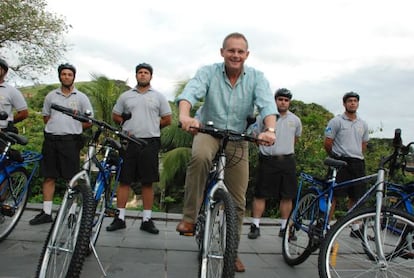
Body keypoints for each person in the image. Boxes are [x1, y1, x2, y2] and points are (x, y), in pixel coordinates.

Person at [175, 32, 277, 272]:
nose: (236, 55)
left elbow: (267, 105)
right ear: (222, 52)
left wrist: (270, 130)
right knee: (200, 157)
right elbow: (190, 94)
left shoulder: (256, 78)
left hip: (238, 138)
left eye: (240, 51)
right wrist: (184, 116)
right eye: (231, 50)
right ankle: (189, 217)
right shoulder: (209, 72)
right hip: (208, 130)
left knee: (239, 199)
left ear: (247, 55)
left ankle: (232, 250)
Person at [106, 63, 172, 235]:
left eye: (146, 72)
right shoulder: (126, 96)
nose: (143, 75)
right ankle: (119, 218)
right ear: (136, 76)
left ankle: (147, 220)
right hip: (129, 141)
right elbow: (116, 115)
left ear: (151, 76)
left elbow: (167, 118)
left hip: (150, 142)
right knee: (124, 180)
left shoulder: (158, 97)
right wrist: (125, 125)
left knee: (147, 181)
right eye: (140, 72)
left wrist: (152, 126)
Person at [29, 63, 94, 225]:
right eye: (63, 74)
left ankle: (71, 213)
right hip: (51, 140)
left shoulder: (81, 97)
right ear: (60, 76)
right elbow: (46, 117)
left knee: (71, 178)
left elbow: (89, 121)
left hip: (70, 141)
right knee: (49, 176)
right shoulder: (51, 96)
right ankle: (46, 212)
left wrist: (74, 127)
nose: (66, 77)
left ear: (74, 77)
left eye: (69, 74)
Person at [247, 88, 302, 240]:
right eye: (280, 99)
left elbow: (295, 139)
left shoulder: (295, 120)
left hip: (287, 161)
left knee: (287, 195)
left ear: (289, 102)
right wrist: (265, 148)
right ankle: (255, 226)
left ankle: (285, 228)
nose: (283, 102)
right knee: (260, 194)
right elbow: (255, 137)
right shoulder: (264, 117)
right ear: (275, 100)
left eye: (286, 100)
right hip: (267, 160)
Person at [324, 91, 369, 238]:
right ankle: (326, 225)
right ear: (344, 104)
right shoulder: (336, 121)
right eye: (350, 101)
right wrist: (335, 157)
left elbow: (363, 144)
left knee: (356, 196)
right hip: (340, 161)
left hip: (357, 162)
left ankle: (355, 228)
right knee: (334, 195)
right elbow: (328, 143)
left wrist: (355, 154)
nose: (352, 103)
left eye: (355, 101)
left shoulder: (363, 124)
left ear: (358, 103)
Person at [0, 58, 29, 132]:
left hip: (2, 133)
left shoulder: (12, 91)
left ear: (5, 72)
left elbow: (24, 113)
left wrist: (9, 123)